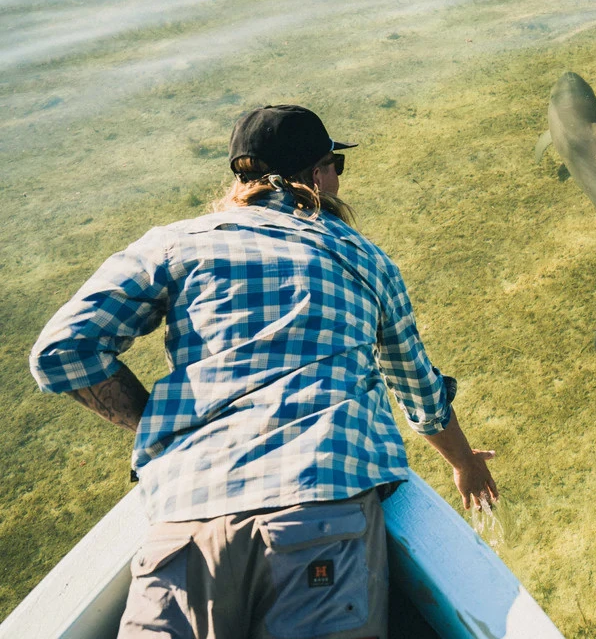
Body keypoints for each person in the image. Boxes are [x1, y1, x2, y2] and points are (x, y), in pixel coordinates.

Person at [30, 104, 498, 639]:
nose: (337, 177)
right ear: (318, 175)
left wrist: (166, 430)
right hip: (322, 508)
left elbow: (61, 351)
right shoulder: (365, 259)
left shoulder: (173, 243)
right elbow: (417, 387)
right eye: (335, 164)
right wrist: (463, 461)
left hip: (185, 525)